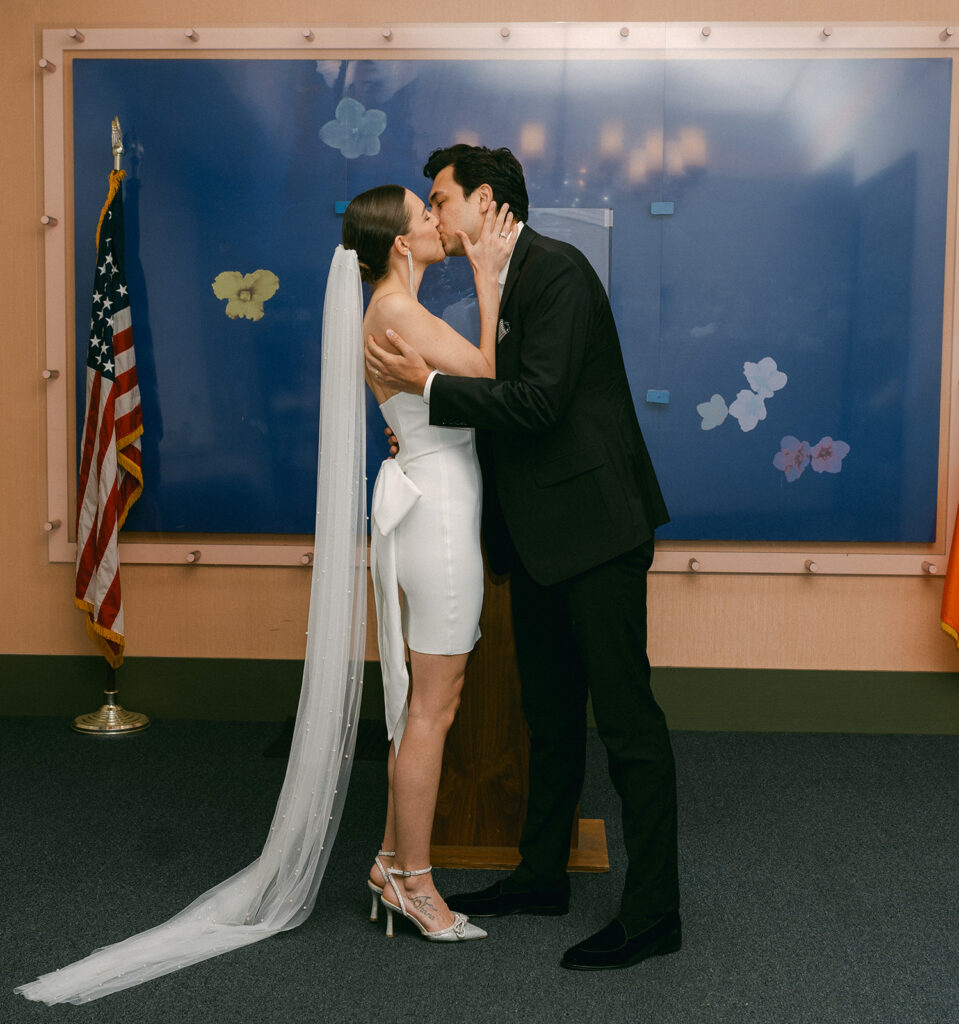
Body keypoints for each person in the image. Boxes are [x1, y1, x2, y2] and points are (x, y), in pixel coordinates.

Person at [365, 144, 681, 971]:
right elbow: (497, 389)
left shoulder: (558, 272)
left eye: (441, 199)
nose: (433, 216)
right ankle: (541, 877)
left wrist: (423, 391)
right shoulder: (497, 278)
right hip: (538, 540)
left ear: (485, 201)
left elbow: (535, 402)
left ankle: (653, 914)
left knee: (626, 724)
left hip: (597, 534)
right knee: (547, 717)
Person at [342, 183, 516, 942]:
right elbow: (485, 375)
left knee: (423, 702)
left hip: (426, 496)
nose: (437, 222)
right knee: (432, 710)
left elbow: (425, 401)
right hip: (438, 515)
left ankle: (390, 860)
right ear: (399, 244)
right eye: (424, 216)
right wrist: (487, 276)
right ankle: (414, 883)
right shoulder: (399, 309)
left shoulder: (389, 308)